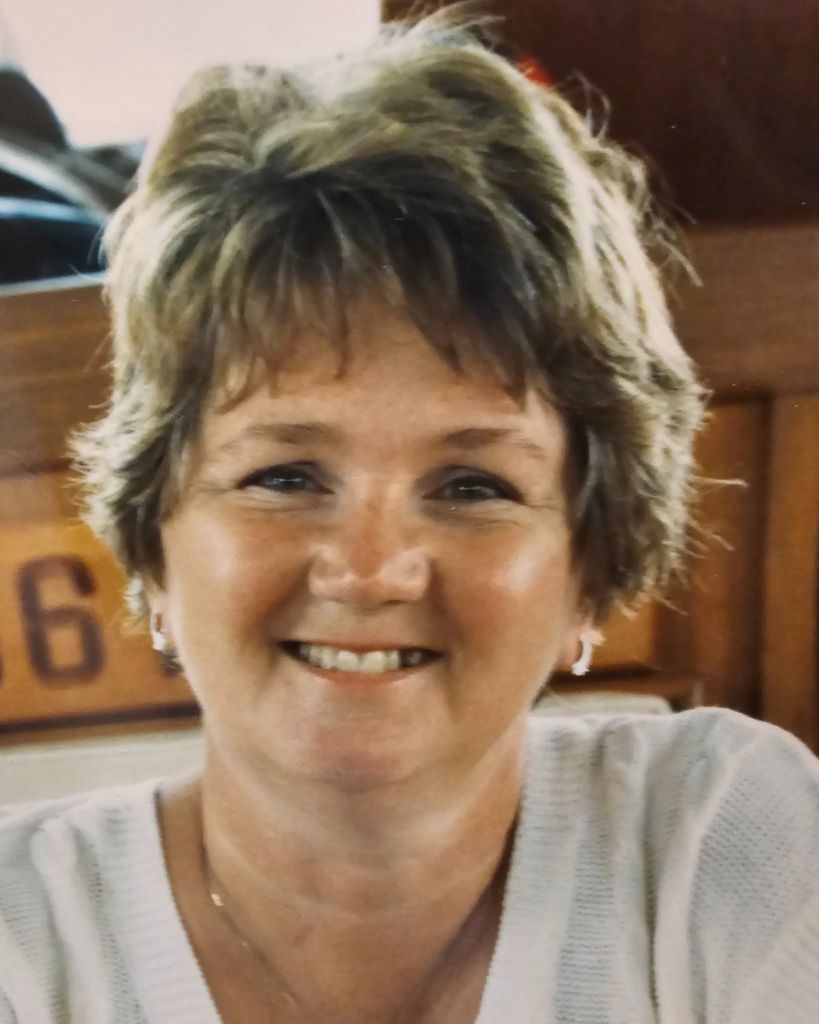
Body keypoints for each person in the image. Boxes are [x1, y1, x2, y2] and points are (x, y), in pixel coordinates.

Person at [1, 7, 818, 1023]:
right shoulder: (20, 937)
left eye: (473, 486)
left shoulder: (718, 843)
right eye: (285, 476)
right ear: (154, 548)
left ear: (591, 571)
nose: (369, 567)